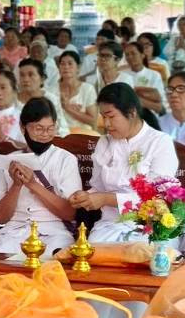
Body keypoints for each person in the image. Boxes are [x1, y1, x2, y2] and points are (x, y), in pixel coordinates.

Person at [70, 82, 177, 242]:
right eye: (103, 117)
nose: (106, 124)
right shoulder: (104, 143)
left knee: (144, 253)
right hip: (109, 226)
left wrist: (106, 199)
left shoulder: (160, 142)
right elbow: (98, 187)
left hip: (150, 227)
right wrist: (85, 196)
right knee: (92, 253)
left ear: (132, 112)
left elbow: (157, 199)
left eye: (111, 116)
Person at [0, 97, 81, 255]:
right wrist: (16, 186)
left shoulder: (66, 160)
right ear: (23, 128)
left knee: (55, 258)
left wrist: (32, 184)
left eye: (50, 128)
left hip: (54, 232)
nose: (45, 135)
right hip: (14, 232)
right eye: (39, 129)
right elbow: (0, 218)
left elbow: (70, 213)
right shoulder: (8, 162)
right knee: (2, 259)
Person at [57, 49, 98, 134]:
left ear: (78, 67)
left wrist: (67, 108)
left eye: (70, 63)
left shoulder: (87, 89)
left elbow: (92, 120)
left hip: (82, 134)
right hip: (59, 134)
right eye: (62, 64)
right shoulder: (53, 89)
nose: (66, 67)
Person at [118, 41, 166, 113]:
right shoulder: (121, 74)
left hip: (150, 116)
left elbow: (160, 104)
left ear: (142, 55)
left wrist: (138, 100)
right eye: (127, 55)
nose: (129, 57)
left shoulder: (154, 75)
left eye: (133, 53)